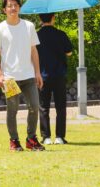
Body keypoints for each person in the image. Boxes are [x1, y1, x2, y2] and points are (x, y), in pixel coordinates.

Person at [0, 0, 45, 152]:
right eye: (9, 6)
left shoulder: (28, 26)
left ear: (19, 7)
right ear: (4, 10)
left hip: (28, 75)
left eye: (15, 5)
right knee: (12, 110)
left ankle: (31, 139)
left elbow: (34, 51)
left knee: (34, 106)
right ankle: (14, 140)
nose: (12, 8)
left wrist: (37, 72)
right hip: (10, 78)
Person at [36, 12, 73, 145]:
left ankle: (46, 137)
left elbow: (32, 55)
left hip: (42, 75)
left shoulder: (36, 35)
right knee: (61, 107)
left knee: (43, 107)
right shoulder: (60, 34)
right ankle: (59, 137)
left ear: (40, 19)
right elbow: (69, 52)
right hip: (59, 75)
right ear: (53, 18)